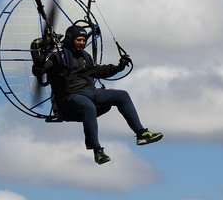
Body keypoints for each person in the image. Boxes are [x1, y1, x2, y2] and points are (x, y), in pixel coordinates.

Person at [32, 24, 163, 165]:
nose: (82, 43)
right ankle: (97, 151)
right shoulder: (58, 57)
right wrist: (38, 61)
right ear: (71, 40)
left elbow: (98, 71)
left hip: (91, 92)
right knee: (88, 107)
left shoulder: (85, 56)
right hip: (69, 98)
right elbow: (39, 71)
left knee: (122, 95)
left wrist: (119, 67)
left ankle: (141, 133)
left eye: (83, 40)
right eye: (79, 40)